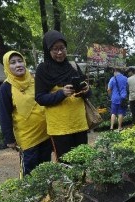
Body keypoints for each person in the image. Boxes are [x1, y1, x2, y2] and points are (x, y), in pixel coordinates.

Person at [35, 30, 92, 160]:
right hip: (60, 128)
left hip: (79, 124)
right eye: (55, 49)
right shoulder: (43, 69)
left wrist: (85, 90)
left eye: (62, 48)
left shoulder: (72, 66)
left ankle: (82, 181)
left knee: (83, 161)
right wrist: (62, 93)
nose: (59, 52)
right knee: (66, 163)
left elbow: (88, 92)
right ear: (48, 50)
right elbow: (40, 98)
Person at [0, 50, 52, 176]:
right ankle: (31, 196)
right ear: (7, 66)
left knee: (46, 168)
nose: (18, 65)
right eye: (13, 63)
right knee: (30, 171)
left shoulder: (35, 80)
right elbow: (4, 115)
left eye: (20, 61)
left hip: (45, 133)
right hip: (27, 137)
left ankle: (46, 194)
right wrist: (9, 139)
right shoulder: (6, 88)